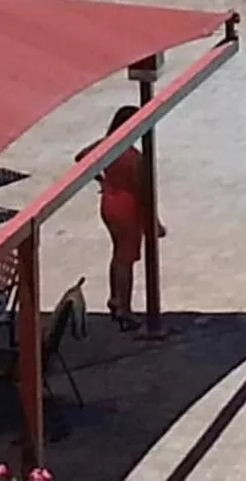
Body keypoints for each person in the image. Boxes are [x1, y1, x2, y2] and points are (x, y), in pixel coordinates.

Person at [74, 106, 162, 331]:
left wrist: (101, 180)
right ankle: (125, 308)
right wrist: (155, 223)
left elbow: (80, 156)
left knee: (118, 254)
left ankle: (115, 299)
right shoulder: (135, 159)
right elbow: (144, 195)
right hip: (127, 207)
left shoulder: (106, 146)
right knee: (127, 258)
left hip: (109, 202)